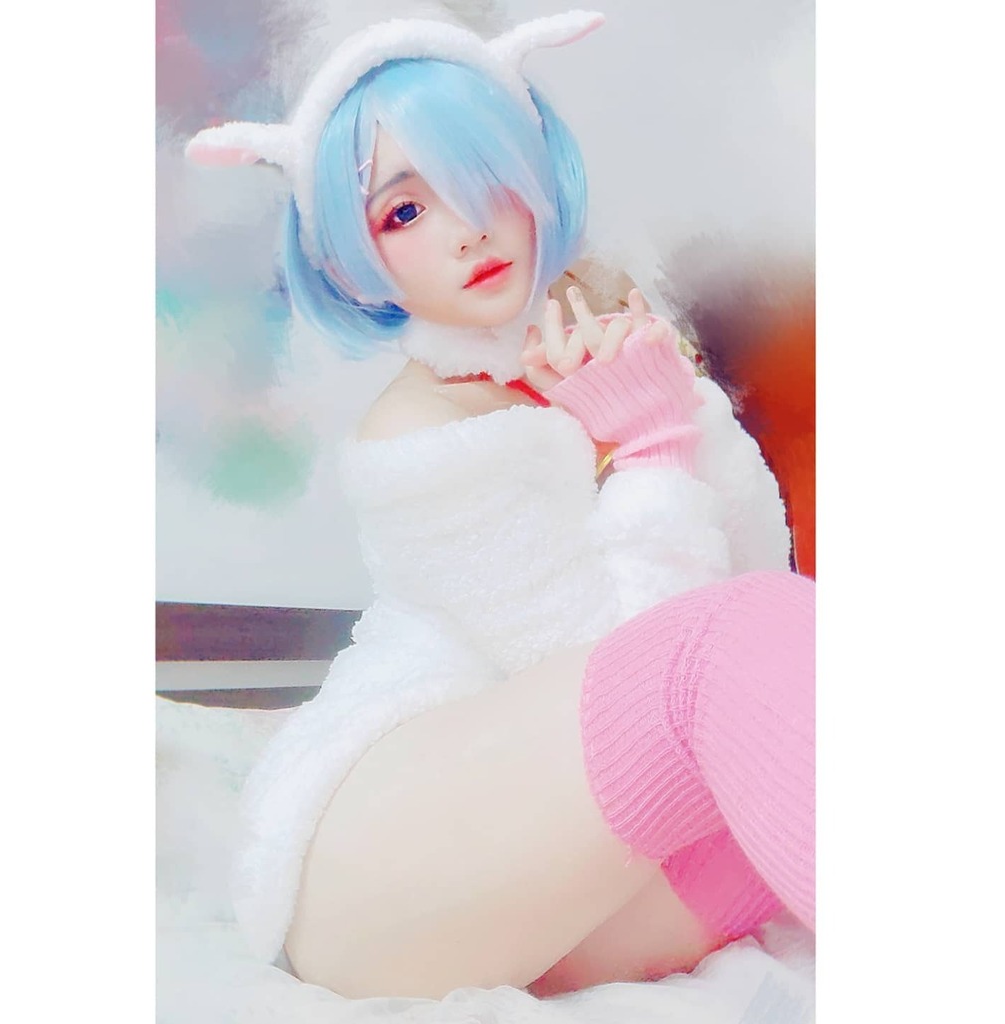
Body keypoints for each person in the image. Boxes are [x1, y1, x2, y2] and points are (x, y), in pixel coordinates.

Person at [187, 9, 814, 1001]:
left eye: (479, 174)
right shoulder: (418, 440)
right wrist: (647, 449)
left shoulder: (608, 330)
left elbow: (756, 591)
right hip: (376, 864)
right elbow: (654, 679)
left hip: (554, 869)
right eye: (404, 213)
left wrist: (672, 409)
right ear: (354, 257)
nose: (466, 228)